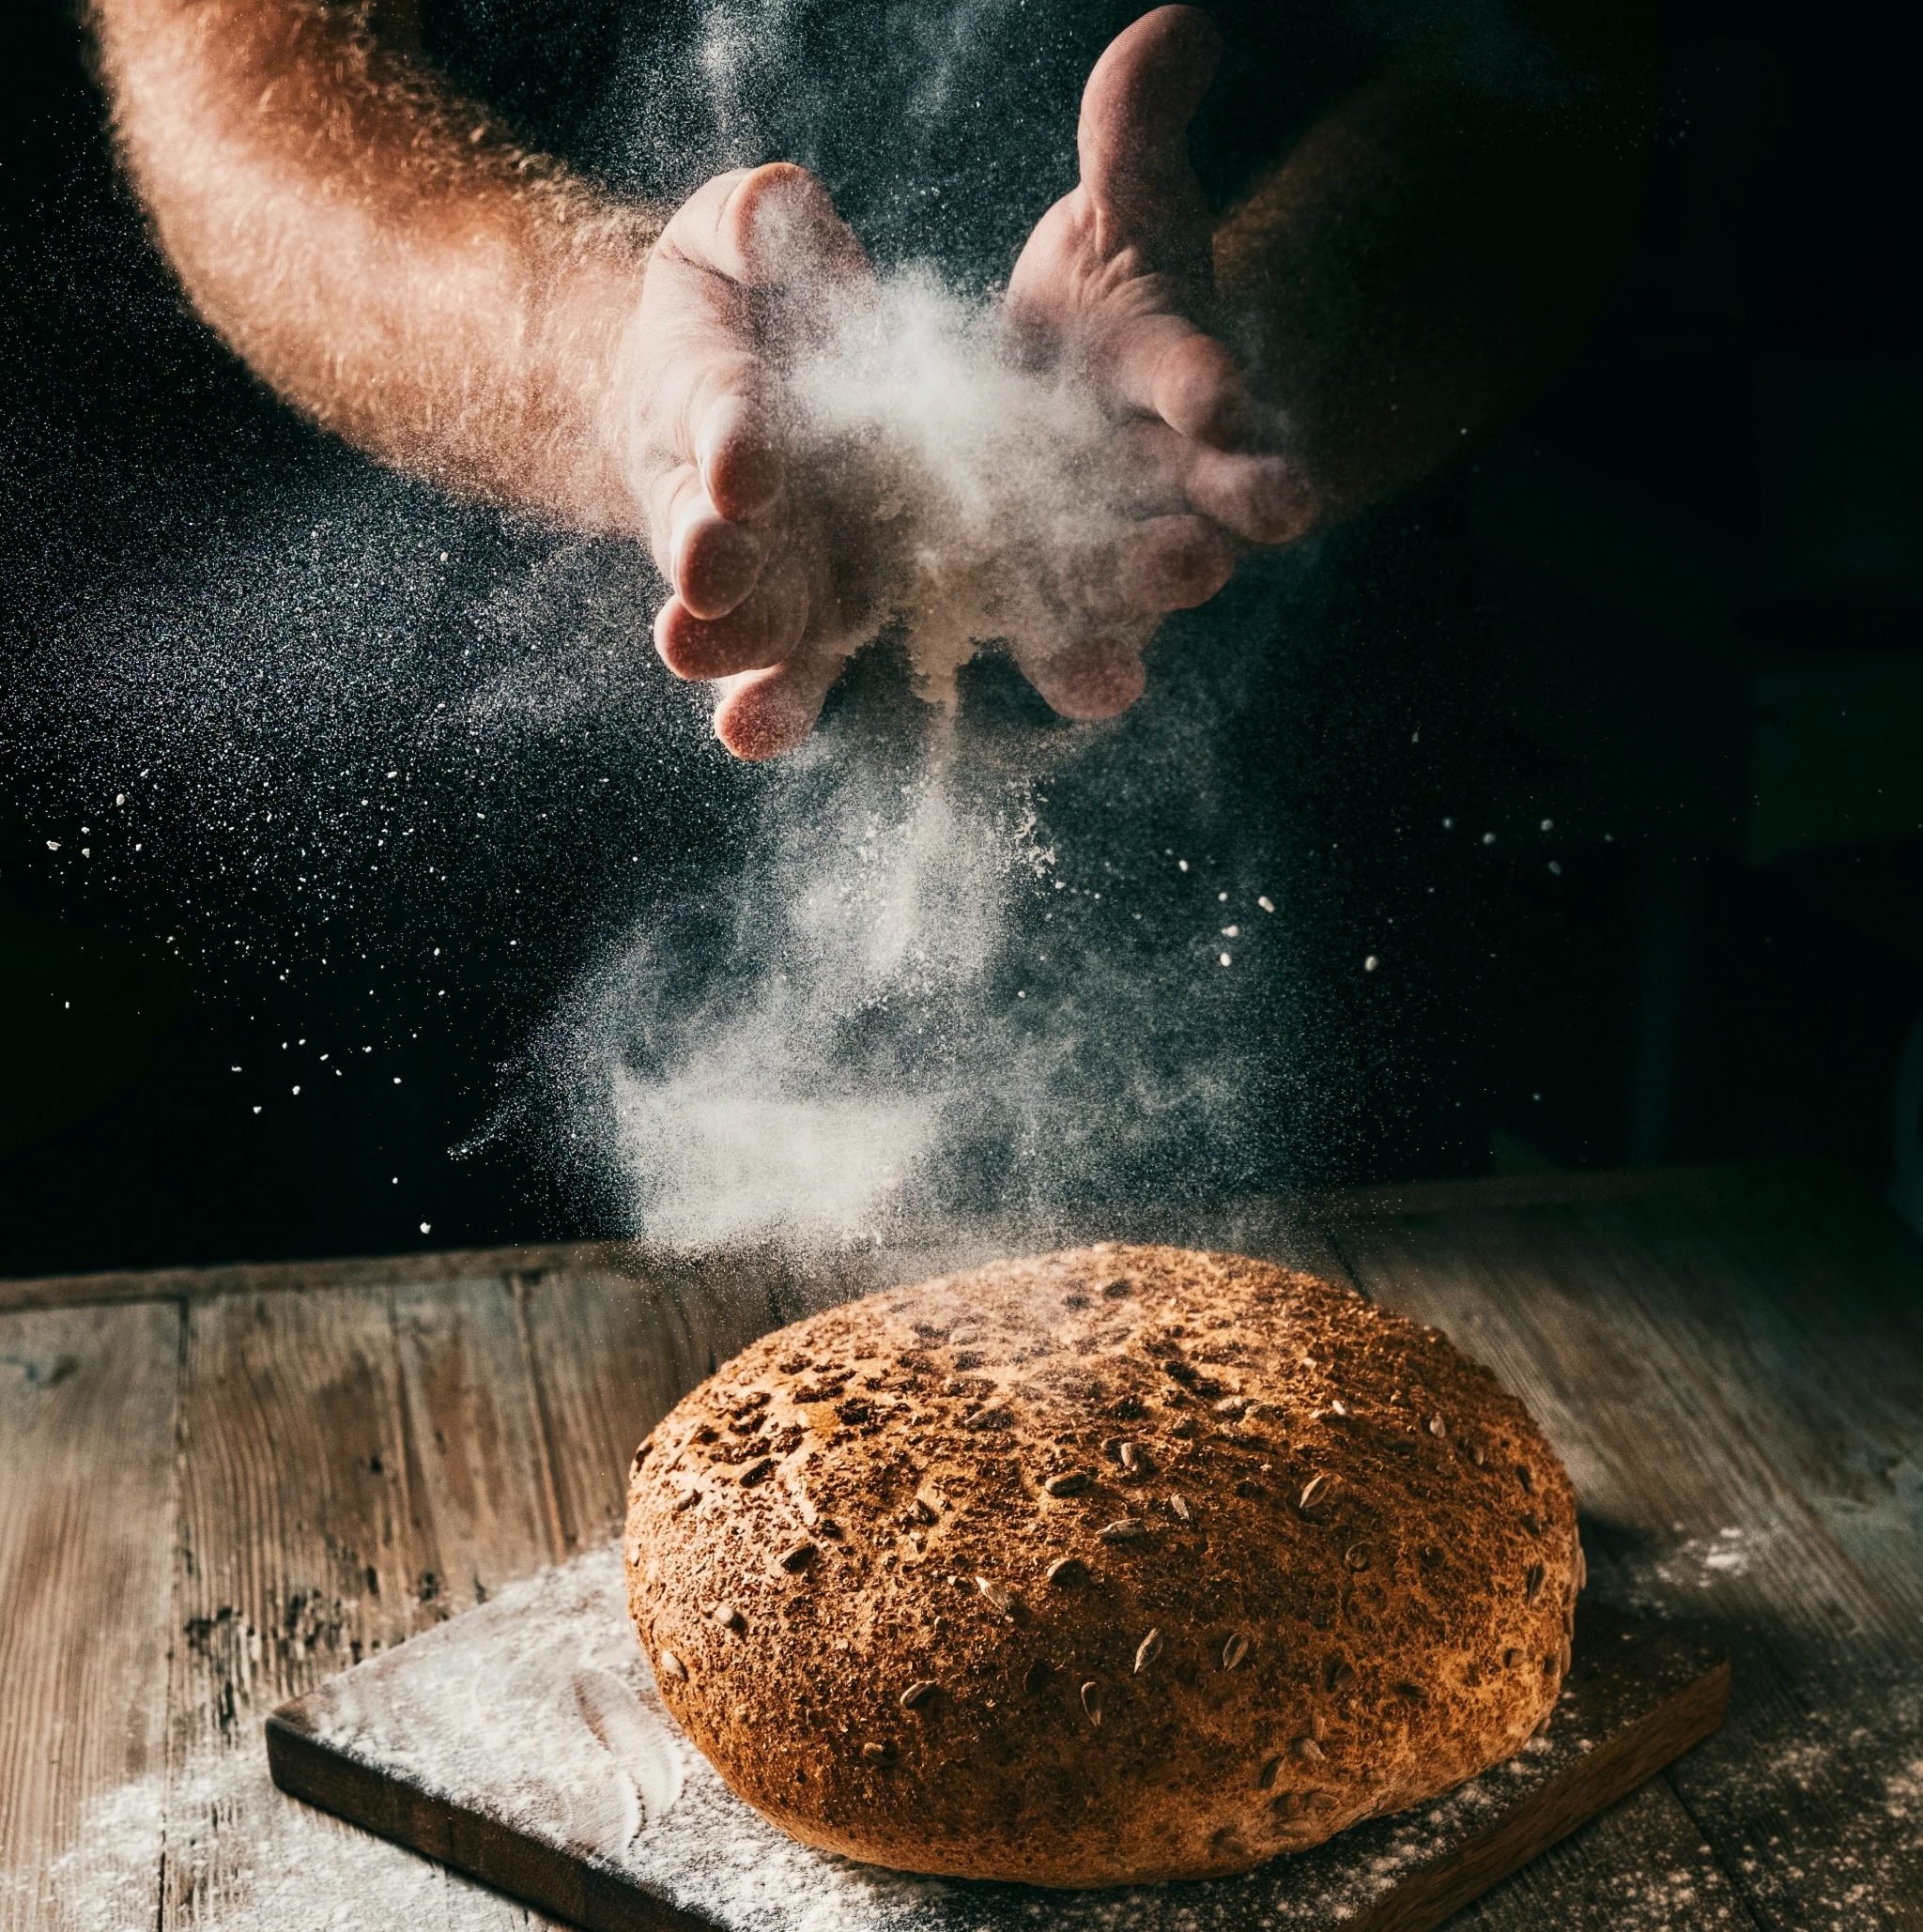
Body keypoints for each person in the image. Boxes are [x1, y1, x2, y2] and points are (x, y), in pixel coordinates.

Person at [85, 0, 1654, 1205]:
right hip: (547, 660)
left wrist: (1256, 367)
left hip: (1286, 614)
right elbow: (225, 68)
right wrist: (609, 374)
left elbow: (1584, 63)